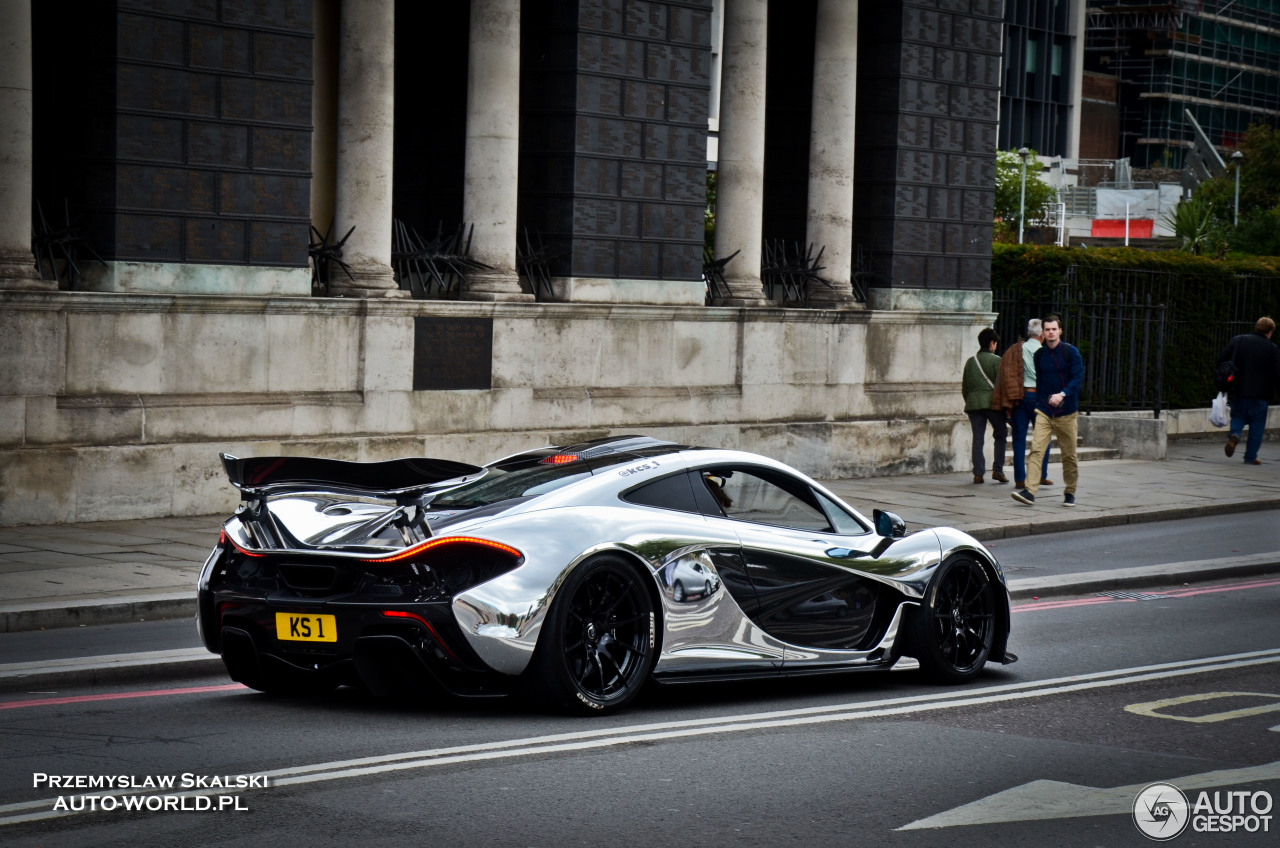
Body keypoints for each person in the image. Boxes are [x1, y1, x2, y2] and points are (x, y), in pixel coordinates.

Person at [1012, 314, 1083, 507]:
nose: (1050, 332)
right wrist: (1039, 404)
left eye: (1054, 329)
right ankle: (1029, 491)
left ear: (1060, 331)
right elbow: (1040, 381)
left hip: (1066, 412)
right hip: (1044, 410)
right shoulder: (1039, 355)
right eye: (1047, 329)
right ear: (1042, 333)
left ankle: (1070, 492)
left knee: (1069, 454)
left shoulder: (1071, 352)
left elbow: (1077, 379)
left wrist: (1063, 394)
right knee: (1036, 449)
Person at [992, 318, 1052, 489]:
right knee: (1043, 438)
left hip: (1020, 396)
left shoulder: (1016, 349)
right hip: (1038, 398)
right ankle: (1041, 474)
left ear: (1028, 333)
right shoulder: (1045, 352)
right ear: (1042, 334)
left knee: (1019, 438)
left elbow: (1006, 373)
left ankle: (1019, 478)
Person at [1218, 316, 1280, 465]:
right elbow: (1277, 373)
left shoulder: (1238, 340)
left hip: (1238, 389)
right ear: (1270, 331)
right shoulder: (1272, 349)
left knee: (1238, 416)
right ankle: (1250, 456)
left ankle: (1235, 434)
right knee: (1257, 424)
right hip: (1261, 394)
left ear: (1256, 327)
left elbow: (1222, 359)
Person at [963, 328, 1007, 484]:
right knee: (1001, 433)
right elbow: (1002, 384)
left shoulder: (970, 361)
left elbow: (965, 387)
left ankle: (978, 474)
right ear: (992, 343)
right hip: (992, 404)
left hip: (973, 404)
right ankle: (998, 470)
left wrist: (970, 400)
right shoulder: (997, 360)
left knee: (978, 439)